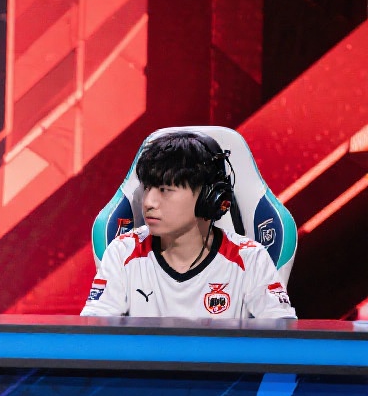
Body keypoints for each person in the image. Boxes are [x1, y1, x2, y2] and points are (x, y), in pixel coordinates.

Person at [80, 130, 295, 319]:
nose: (148, 203)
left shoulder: (250, 259)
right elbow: (94, 335)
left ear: (210, 198)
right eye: (147, 188)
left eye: (165, 190)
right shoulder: (122, 252)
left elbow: (281, 339)